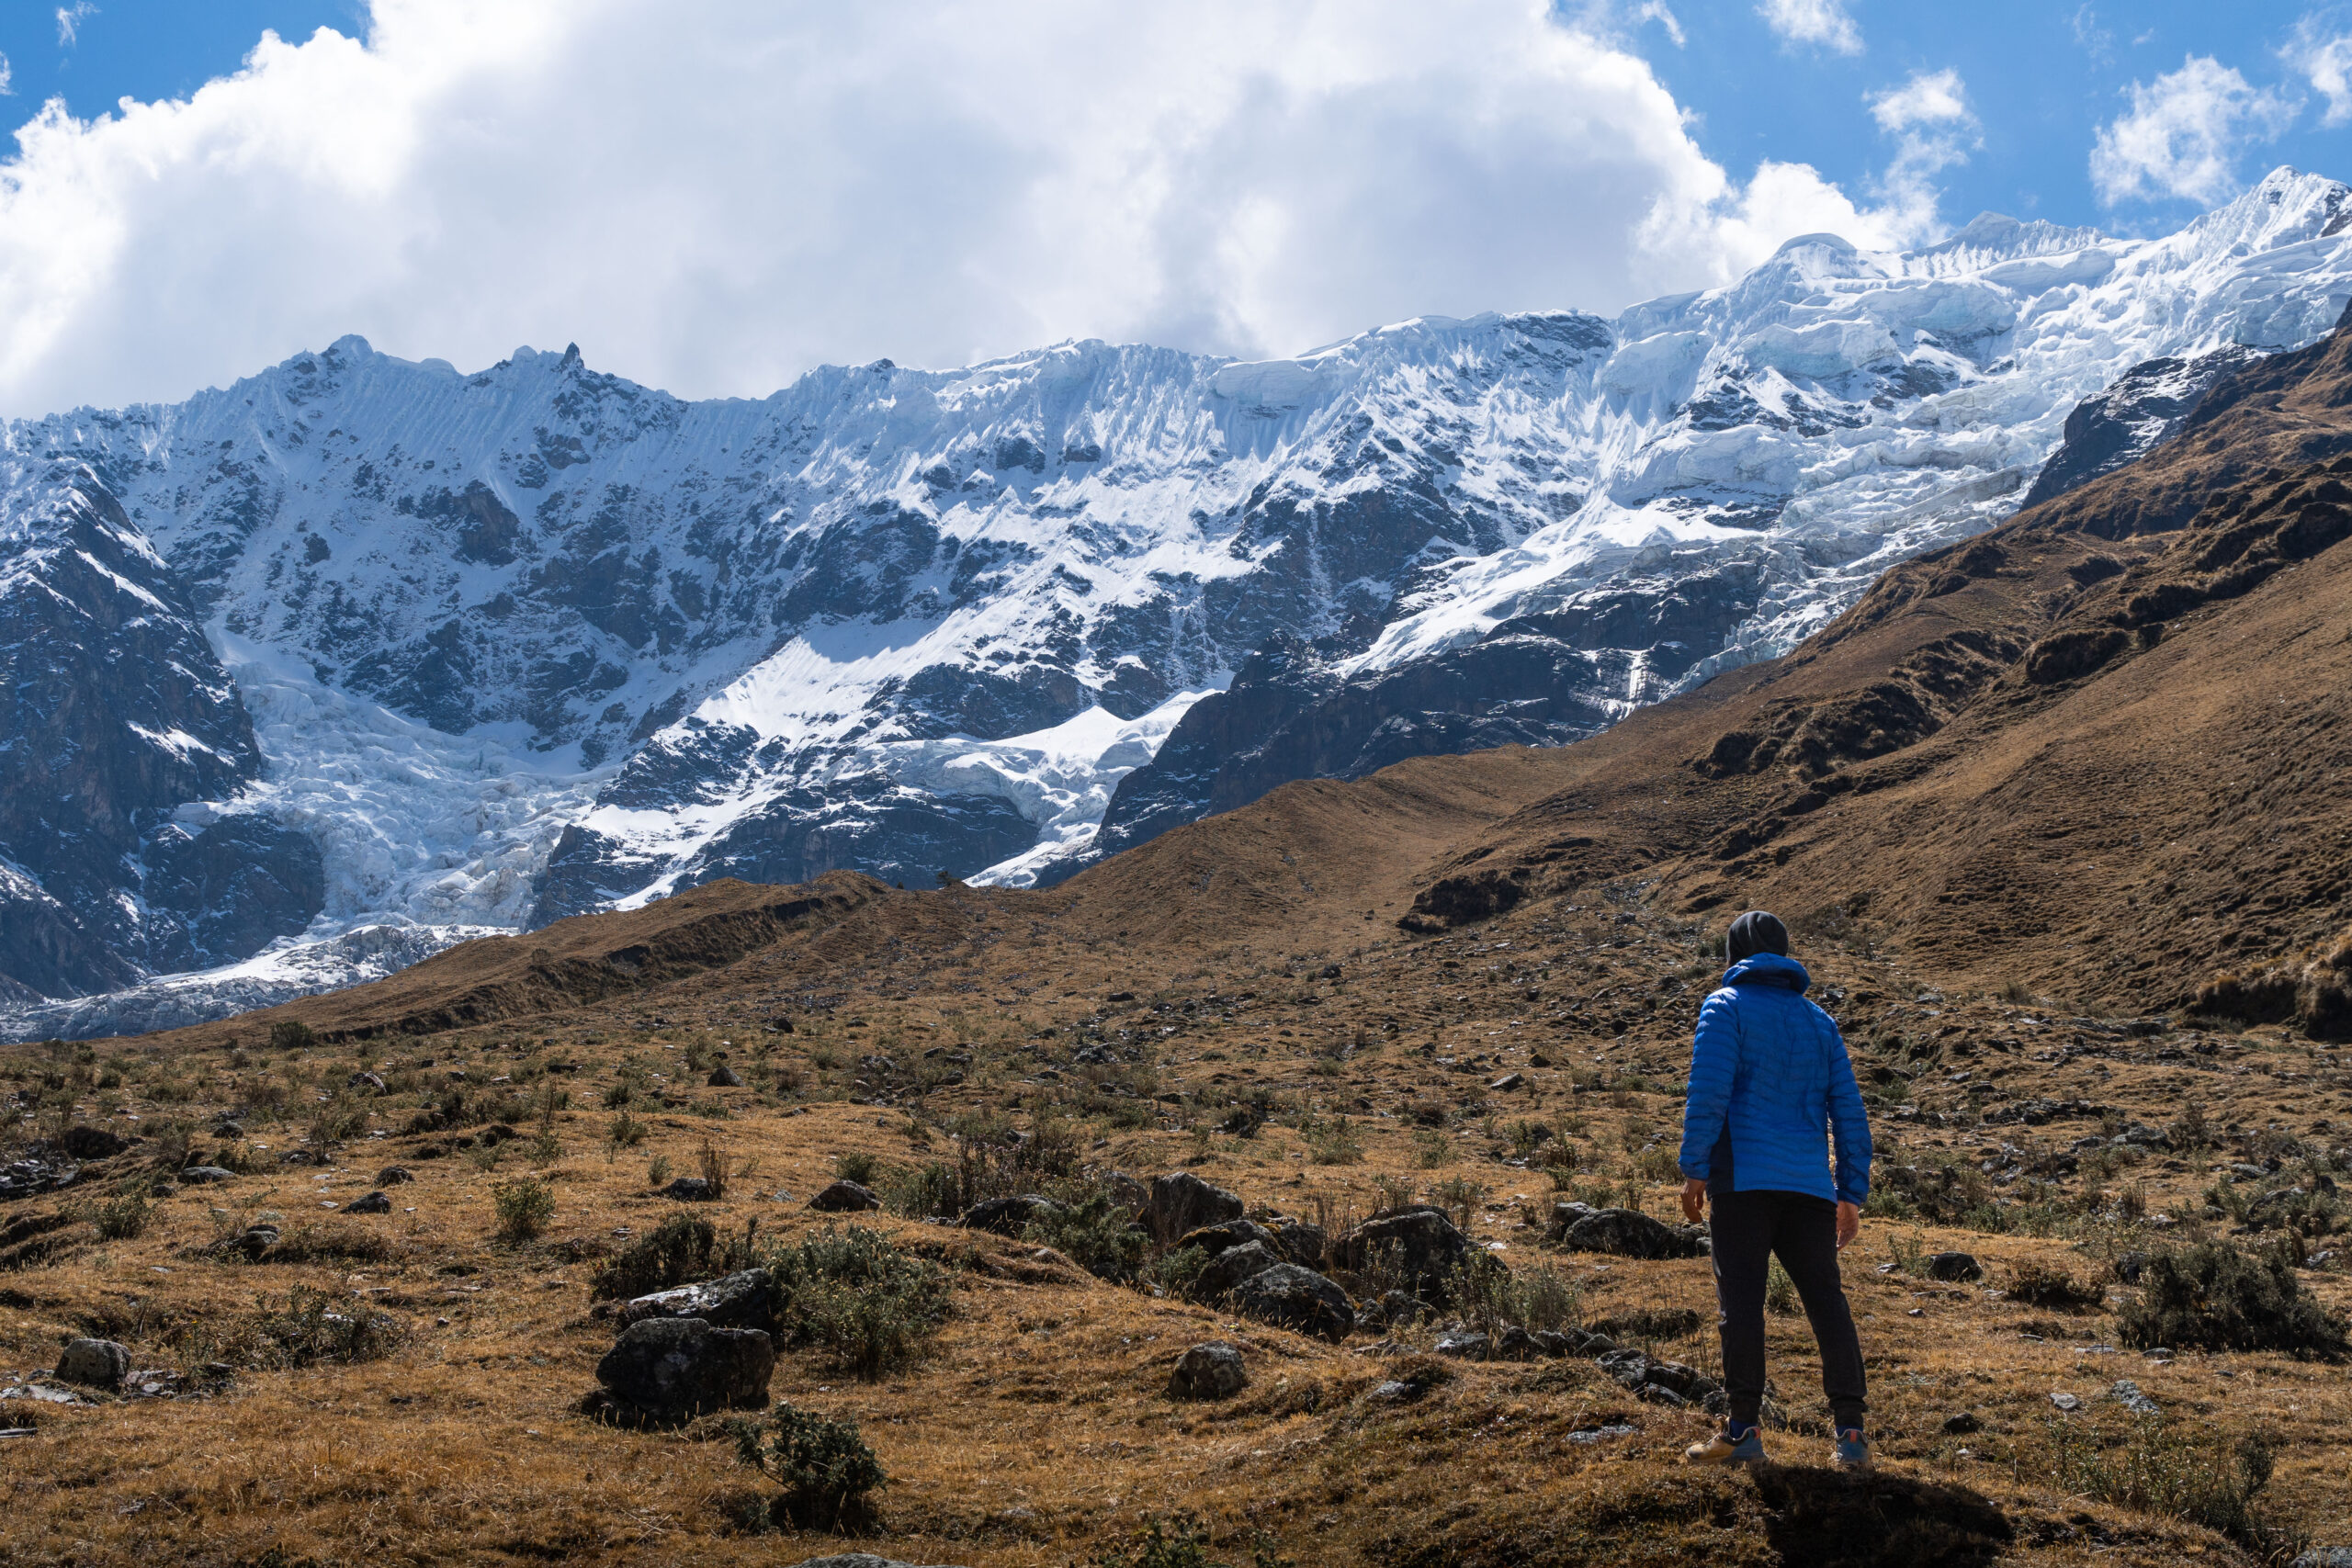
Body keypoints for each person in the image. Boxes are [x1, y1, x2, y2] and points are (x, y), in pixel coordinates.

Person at [1676, 909, 1872, 1472]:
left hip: (1743, 1182)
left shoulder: (1725, 1006)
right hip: (1810, 1187)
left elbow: (1709, 1092)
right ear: (1783, 953)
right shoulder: (1819, 1021)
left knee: (1741, 1307)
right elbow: (1850, 1115)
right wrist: (1849, 1193)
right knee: (1827, 1305)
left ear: (1734, 955)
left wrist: (1695, 1169)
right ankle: (1852, 1434)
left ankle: (1743, 1432)